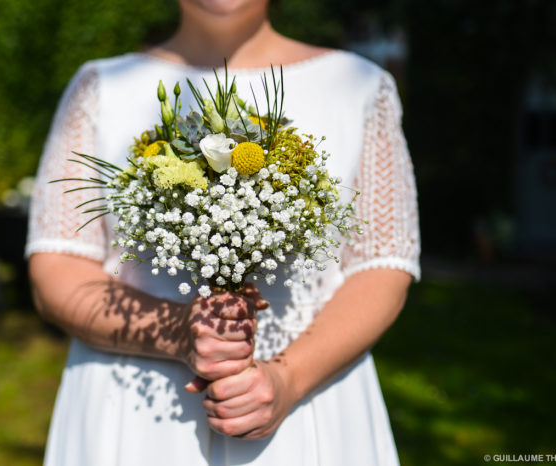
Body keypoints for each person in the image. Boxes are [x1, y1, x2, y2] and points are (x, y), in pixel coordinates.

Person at [26, 0, 420, 464]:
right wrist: (178, 332)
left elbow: (383, 268)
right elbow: (56, 269)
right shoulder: (100, 87)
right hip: (135, 412)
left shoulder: (360, 88)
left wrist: (287, 379)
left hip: (311, 398)